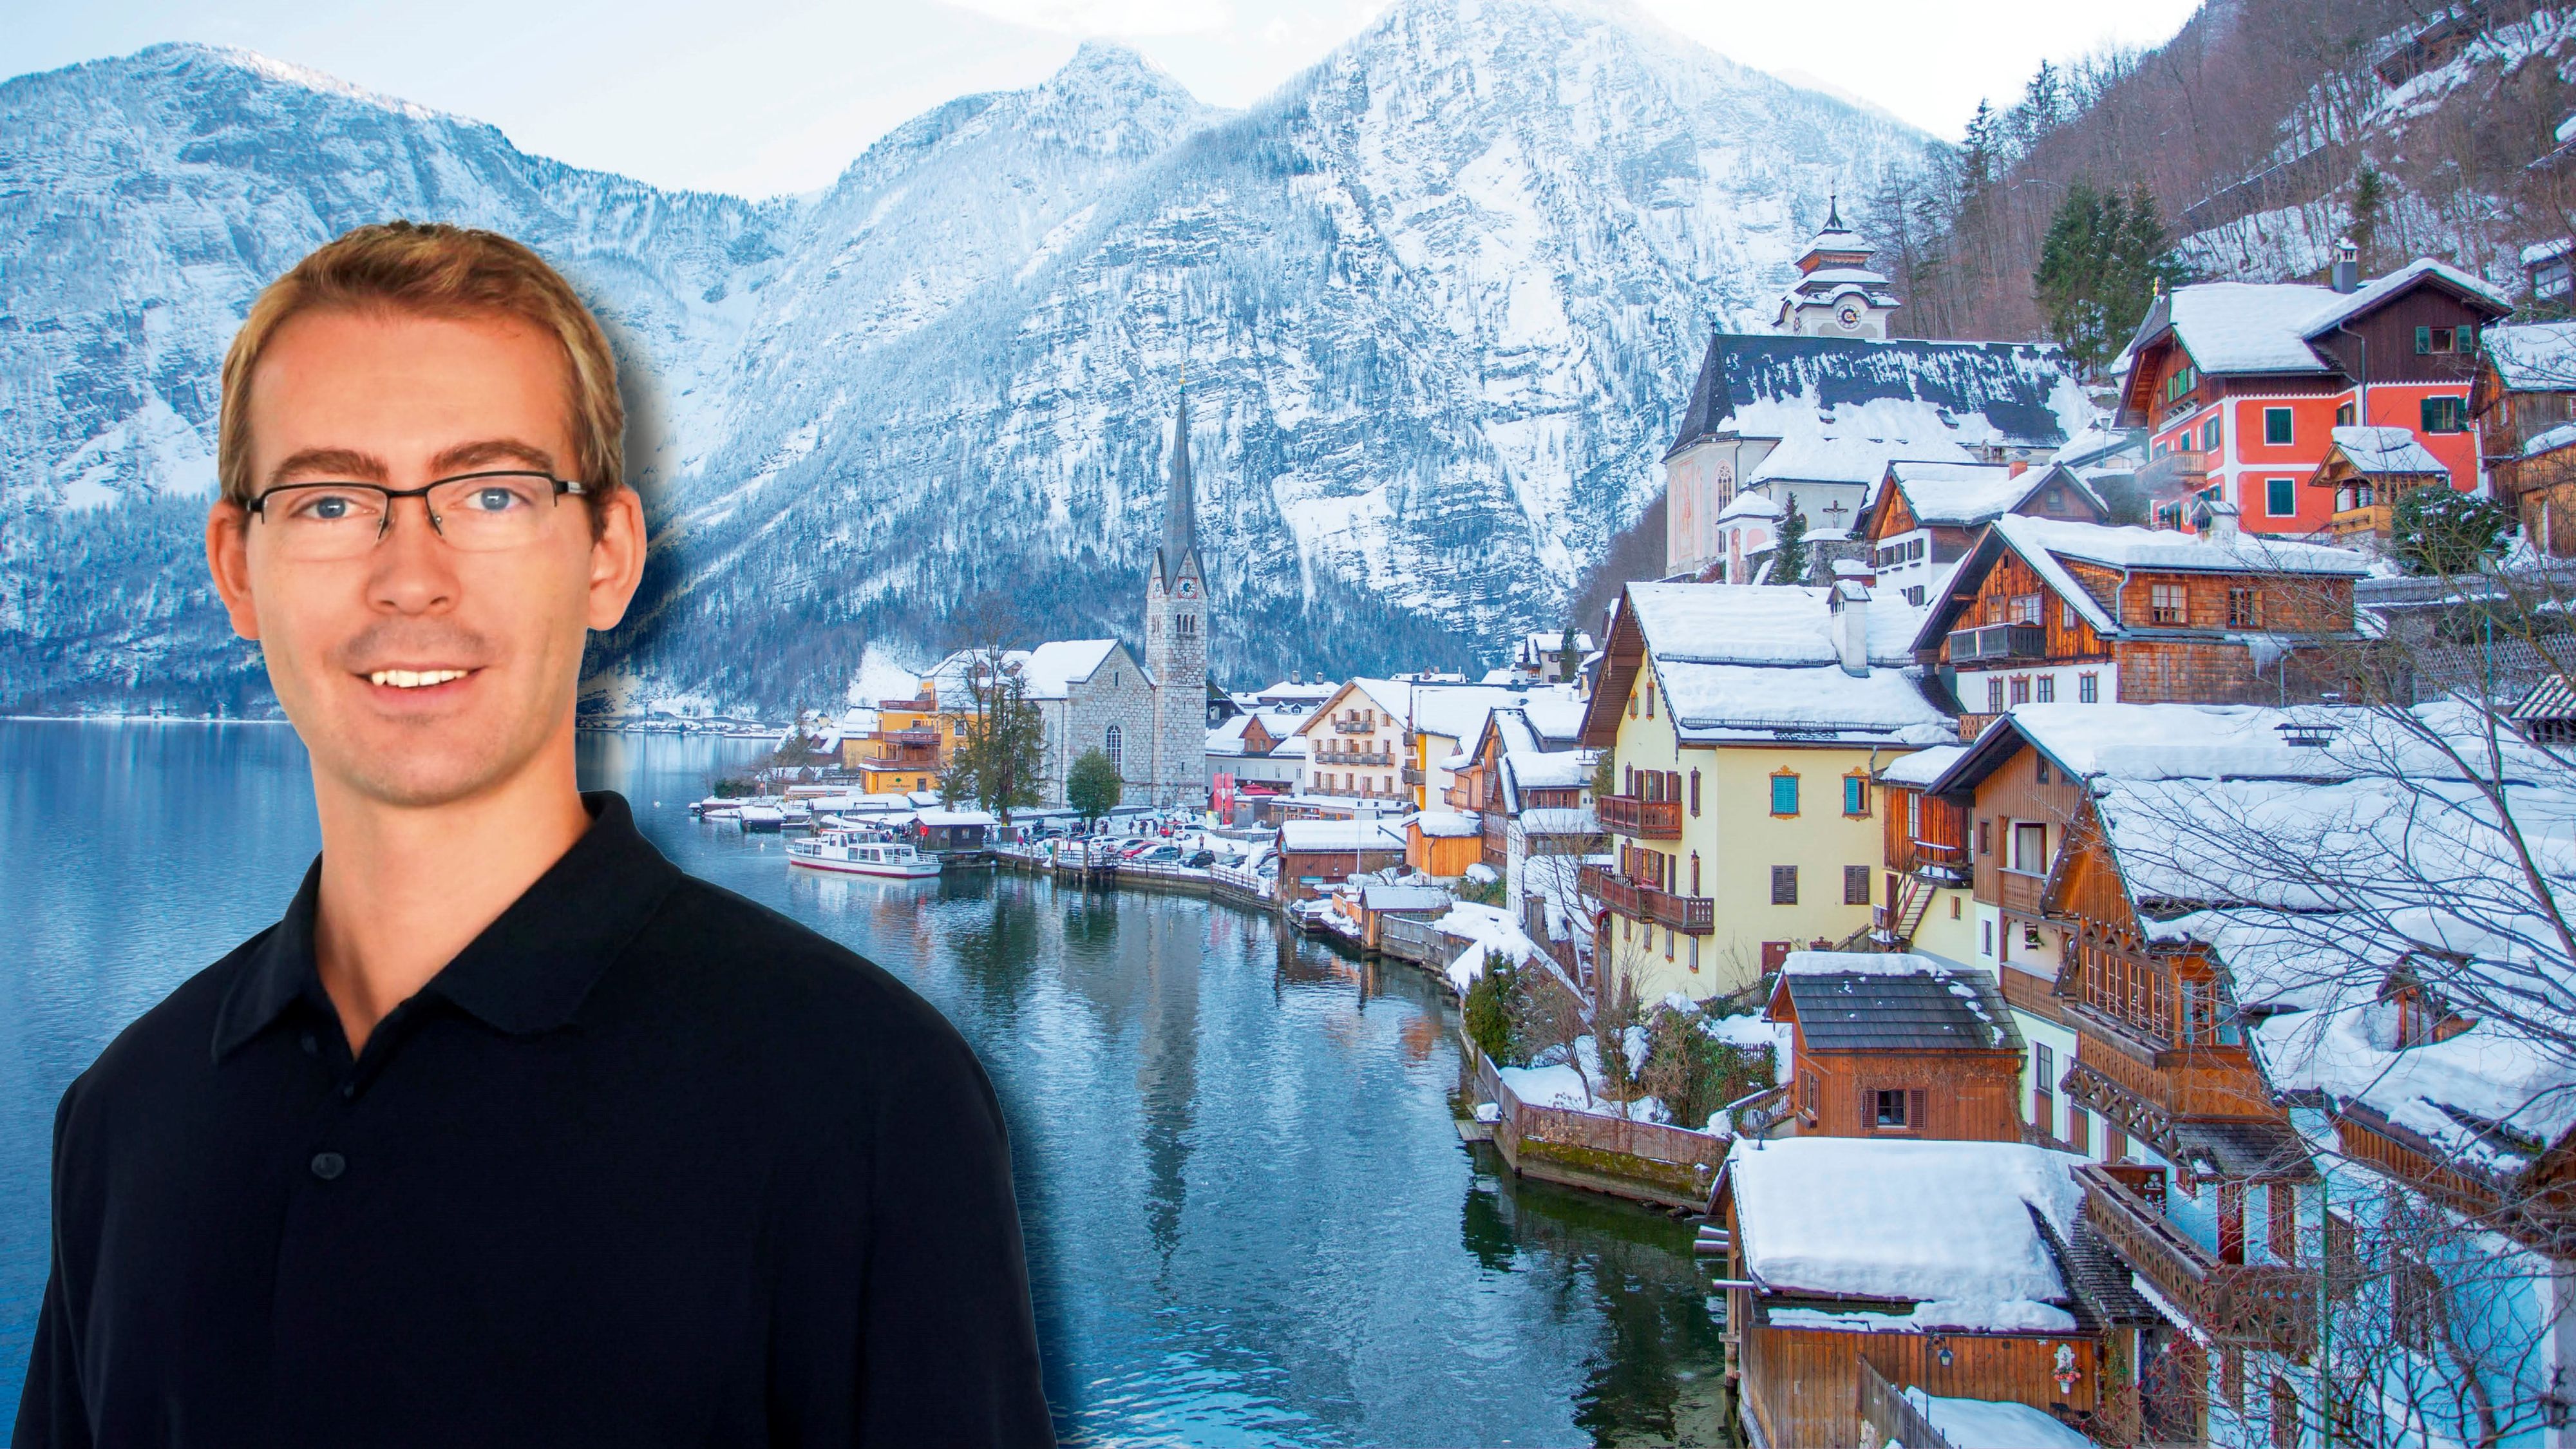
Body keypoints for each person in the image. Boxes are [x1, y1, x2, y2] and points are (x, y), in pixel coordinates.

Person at [14, 222, 1052, 1448]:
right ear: (237, 568)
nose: (412, 575)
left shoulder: (870, 1105)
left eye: (492, 493)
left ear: (609, 556)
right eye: (332, 499)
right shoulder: (124, 1116)